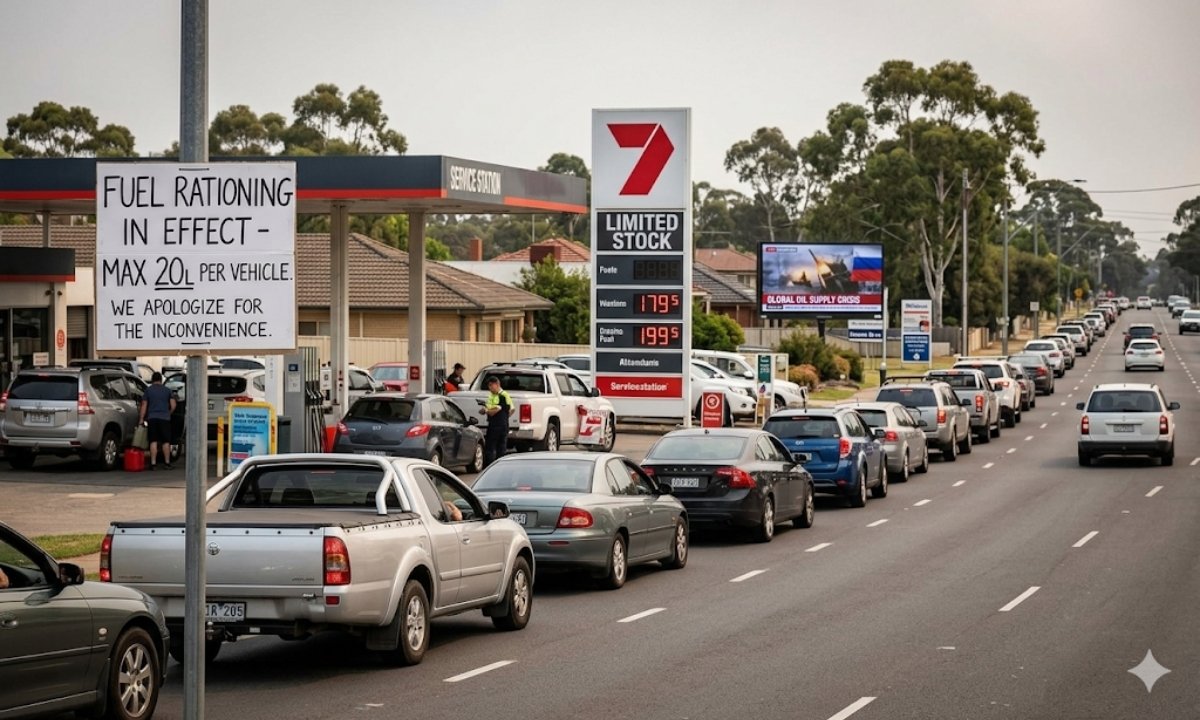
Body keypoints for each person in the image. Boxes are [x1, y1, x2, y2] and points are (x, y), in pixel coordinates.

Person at [139, 372, 177, 470]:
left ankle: (153, 464)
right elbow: (173, 405)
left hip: (152, 418)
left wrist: (141, 418)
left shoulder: (148, 390)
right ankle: (167, 463)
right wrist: (169, 413)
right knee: (165, 441)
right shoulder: (167, 390)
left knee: (153, 440)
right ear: (161, 380)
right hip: (165, 418)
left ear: (152, 380)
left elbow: (144, 405)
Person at [480, 375, 512, 467]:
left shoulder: (502, 395)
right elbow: (509, 410)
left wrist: (487, 411)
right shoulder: (494, 396)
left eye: (491, 385)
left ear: (497, 384)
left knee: (493, 448)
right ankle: (499, 466)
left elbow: (495, 411)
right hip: (500, 424)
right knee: (498, 447)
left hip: (498, 425)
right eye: (488, 386)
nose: (489, 388)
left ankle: (492, 467)